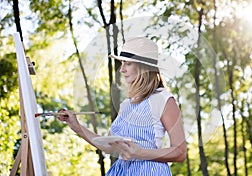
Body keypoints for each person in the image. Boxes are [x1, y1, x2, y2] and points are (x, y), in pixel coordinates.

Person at [58, 37, 187, 175]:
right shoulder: (127, 104)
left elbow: (180, 152)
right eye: (122, 63)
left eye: (128, 63)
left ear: (144, 67)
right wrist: (76, 127)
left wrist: (140, 153)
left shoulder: (164, 99)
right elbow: (109, 147)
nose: (122, 69)